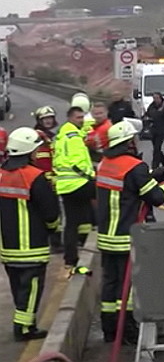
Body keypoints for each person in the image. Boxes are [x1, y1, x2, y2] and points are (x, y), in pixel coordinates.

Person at [96, 120, 164, 343]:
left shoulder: (105, 164)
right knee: (127, 288)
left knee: (110, 285)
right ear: (129, 142)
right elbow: (156, 197)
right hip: (126, 238)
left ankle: (109, 330)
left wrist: (156, 174)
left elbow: (131, 186)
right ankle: (127, 331)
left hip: (106, 238)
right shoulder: (134, 167)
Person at [0, 127, 60, 341]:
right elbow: (51, 212)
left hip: (7, 249)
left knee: (19, 289)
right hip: (32, 248)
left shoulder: (1, 175)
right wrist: (54, 230)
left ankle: (25, 323)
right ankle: (24, 329)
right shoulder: (35, 177)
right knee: (32, 290)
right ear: (30, 152)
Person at [53, 107, 95, 274]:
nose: (81, 120)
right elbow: (77, 161)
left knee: (72, 222)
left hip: (64, 185)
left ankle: (70, 258)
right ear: (70, 118)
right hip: (79, 182)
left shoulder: (62, 134)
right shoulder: (73, 137)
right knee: (107, 197)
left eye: (82, 117)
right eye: (78, 117)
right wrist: (90, 175)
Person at [33, 106, 62, 253]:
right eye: (45, 119)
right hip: (44, 181)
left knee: (54, 212)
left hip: (50, 180)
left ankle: (55, 242)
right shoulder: (39, 136)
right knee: (51, 212)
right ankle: (54, 244)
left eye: (50, 118)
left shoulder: (50, 136)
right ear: (39, 120)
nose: (48, 121)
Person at [144, 92, 164, 169]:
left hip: (161, 131)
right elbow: (147, 115)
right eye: (154, 98)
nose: (156, 100)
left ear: (161, 98)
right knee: (156, 149)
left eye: (157, 98)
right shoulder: (151, 107)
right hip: (153, 131)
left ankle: (154, 166)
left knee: (157, 149)